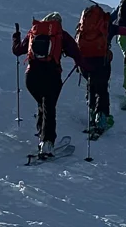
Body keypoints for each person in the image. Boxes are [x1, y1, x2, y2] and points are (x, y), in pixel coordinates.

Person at [12, 13, 81, 155]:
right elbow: (76, 53)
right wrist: (85, 67)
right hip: (51, 76)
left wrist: (16, 36)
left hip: (31, 77)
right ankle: (47, 143)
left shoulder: (34, 32)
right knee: (49, 108)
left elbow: (17, 51)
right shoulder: (61, 35)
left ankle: (42, 136)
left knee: (42, 105)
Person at [73, 2, 126, 135]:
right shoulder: (107, 26)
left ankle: (93, 114)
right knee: (102, 89)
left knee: (91, 86)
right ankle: (102, 117)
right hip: (101, 61)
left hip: (85, 63)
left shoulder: (82, 28)